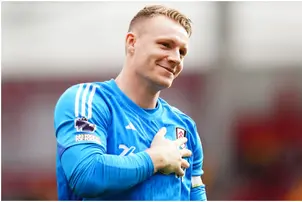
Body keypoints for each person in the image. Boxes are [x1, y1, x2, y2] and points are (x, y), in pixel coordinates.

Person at [53, 5, 206, 201]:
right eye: (165, 45)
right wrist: (156, 158)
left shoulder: (183, 127)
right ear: (132, 43)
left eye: (182, 52)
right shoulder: (88, 100)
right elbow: (86, 174)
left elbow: (196, 194)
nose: (176, 58)